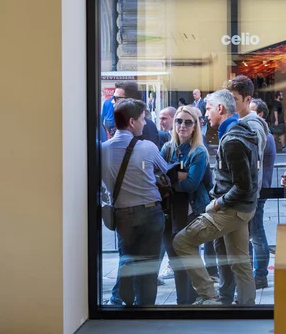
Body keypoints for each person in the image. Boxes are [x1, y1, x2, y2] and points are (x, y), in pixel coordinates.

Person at [173, 90, 258, 306]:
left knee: (181, 241)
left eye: (208, 108)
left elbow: (244, 185)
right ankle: (244, 307)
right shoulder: (239, 132)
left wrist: (218, 203)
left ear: (220, 109)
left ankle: (209, 295)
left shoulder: (232, 138)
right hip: (240, 209)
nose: (205, 114)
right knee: (240, 263)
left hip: (231, 209)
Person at [101, 99, 168, 305]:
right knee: (148, 266)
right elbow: (167, 171)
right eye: (142, 119)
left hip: (121, 214)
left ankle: (125, 304)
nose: (145, 123)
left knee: (127, 260)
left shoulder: (103, 149)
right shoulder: (147, 147)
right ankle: (145, 308)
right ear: (131, 122)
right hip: (150, 213)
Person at [222, 75, 268, 301]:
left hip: (245, 197)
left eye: (234, 98)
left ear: (247, 99)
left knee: (246, 247)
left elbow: (253, 165)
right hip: (242, 195)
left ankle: (245, 298)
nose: (230, 103)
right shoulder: (239, 122)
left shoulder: (252, 125)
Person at [160, 106, 210, 305]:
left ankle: (189, 301)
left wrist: (171, 178)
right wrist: (178, 176)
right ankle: (184, 302)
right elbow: (158, 177)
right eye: (179, 121)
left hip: (191, 211)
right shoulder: (167, 148)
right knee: (174, 259)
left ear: (195, 126)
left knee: (188, 259)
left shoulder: (199, 152)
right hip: (169, 211)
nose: (183, 125)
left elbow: (191, 185)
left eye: (188, 122)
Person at [249, 98, 276, 289]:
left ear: (259, 115)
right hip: (256, 190)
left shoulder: (265, 135)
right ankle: (257, 272)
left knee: (257, 233)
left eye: (251, 111)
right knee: (253, 233)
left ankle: (260, 274)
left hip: (258, 191)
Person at [113, 81, 160, 146]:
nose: (112, 101)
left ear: (129, 101)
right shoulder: (125, 124)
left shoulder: (143, 127)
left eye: (116, 98)